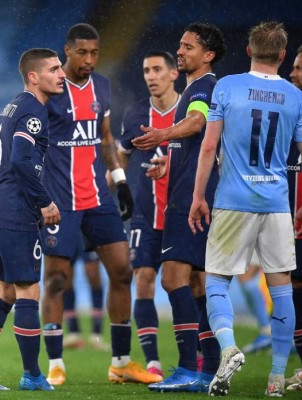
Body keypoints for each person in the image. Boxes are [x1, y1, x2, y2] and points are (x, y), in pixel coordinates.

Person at [34, 23, 160, 387]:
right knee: (57, 278)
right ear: (67, 52)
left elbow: (104, 139)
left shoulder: (102, 86)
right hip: (60, 201)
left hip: (96, 197)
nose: (89, 60)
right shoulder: (50, 89)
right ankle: (55, 363)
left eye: (95, 53)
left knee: (122, 271)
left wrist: (120, 181)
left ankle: (120, 362)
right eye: (82, 53)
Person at [189, 21, 301, 397]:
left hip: (233, 200)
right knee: (281, 287)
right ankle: (276, 378)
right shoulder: (294, 95)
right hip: (276, 204)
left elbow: (208, 146)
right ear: (283, 57)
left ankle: (229, 347)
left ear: (249, 51)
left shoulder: (228, 86)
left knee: (217, 279)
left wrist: (198, 196)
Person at [133, 23, 225, 392]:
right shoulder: (196, 88)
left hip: (189, 197)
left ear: (208, 55)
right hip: (194, 188)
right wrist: (167, 161)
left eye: (188, 47)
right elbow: (201, 138)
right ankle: (209, 370)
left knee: (173, 278)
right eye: (181, 45)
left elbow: (198, 122)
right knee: (199, 283)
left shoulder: (203, 87)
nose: (181, 51)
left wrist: (162, 134)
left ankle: (188, 369)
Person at [0, 47, 65, 392]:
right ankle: (32, 375)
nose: (61, 74)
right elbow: (19, 159)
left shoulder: (12, 106)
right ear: (34, 77)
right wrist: (43, 200)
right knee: (29, 291)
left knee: (6, 291)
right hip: (14, 213)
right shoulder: (33, 109)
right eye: (54, 69)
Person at [120, 50, 180, 378]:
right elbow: (121, 152)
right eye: (146, 70)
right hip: (145, 213)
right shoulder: (136, 113)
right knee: (143, 279)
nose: (150, 76)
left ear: (173, 73)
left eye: (157, 69)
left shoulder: (189, 111)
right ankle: (153, 362)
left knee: (190, 283)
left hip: (183, 213)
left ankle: (199, 357)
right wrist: (118, 184)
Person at [286, 44, 302, 392]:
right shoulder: (292, 111)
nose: (292, 72)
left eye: (299, 68)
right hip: (292, 224)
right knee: (296, 288)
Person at [62, 249, 109, 352]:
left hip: (87, 235)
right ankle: (73, 332)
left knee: (93, 275)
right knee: (66, 279)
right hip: (69, 234)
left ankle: (96, 334)